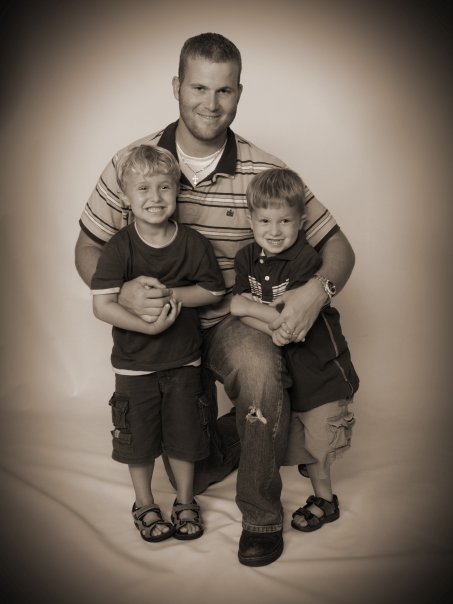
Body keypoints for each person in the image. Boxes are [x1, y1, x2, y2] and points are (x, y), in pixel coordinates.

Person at [75, 32, 356, 566]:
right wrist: (122, 291)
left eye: (224, 90)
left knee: (259, 369)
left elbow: (338, 247)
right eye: (199, 88)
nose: (211, 103)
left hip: (232, 319)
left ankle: (261, 517)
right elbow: (88, 245)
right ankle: (260, 433)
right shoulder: (135, 165)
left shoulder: (262, 170)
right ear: (177, 87)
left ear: (239, 93)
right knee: (192, 469)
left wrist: (315, 293)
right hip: (160, 334)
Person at [91, 144, 225, 542]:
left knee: (186, 437)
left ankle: (185, 501)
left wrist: (170, 295)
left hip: (184, 361)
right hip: (134, 365)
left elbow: (212, 291)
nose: (155, 197)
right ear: (125, 198)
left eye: (164, 187)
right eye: (144, 188)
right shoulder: (119, 247)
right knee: (139, 441)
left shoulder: (193, 243)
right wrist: (145, 327)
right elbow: (102, 305)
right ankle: (145, 503)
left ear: (177, 191)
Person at [230, 168, 359, 533]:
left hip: (321, 373)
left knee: (319, 447)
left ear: (301, 222)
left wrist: (251, 309)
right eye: (265, 220)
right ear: (251, 220)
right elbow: (250, 314)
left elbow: (290, 324)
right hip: (288, 373)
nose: (274, 230)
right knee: (289, 437)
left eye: (285, 220)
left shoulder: (306, 260)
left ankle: (325, 501)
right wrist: (268, 323)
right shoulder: (245, 258)